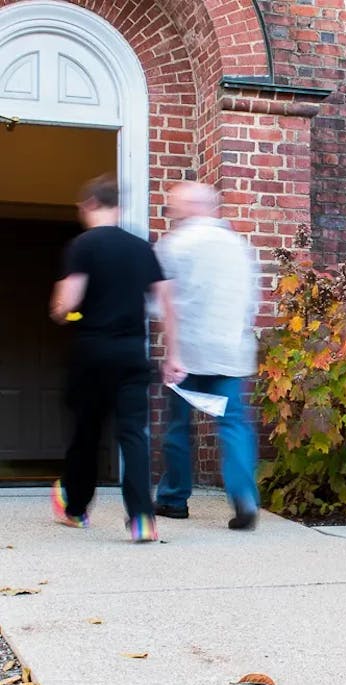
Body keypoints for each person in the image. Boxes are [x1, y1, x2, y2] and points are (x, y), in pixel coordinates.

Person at [49, 175, 180, 542]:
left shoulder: (82, 246)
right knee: (133, 434)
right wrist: (173, 355)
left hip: (91, 353)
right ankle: (141, 518)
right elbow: (167, 305)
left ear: (89, 204)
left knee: (86, 433)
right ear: (117, 207)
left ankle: (75, 510)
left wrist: (60, 308)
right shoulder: (142, 247)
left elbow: (69, 303)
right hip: (131, 354)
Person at [154, 181, 261, 530]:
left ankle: (173, 499)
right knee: (233, 425)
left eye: (173, 206)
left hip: (188, 351)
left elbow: (163, 304)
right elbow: (252, 300)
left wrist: (172, 354)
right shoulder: (238, 246)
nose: (171, 212)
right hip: (231, 350)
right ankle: (244, 496)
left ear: (188, 207)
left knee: (179, 427)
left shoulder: (174, 245)